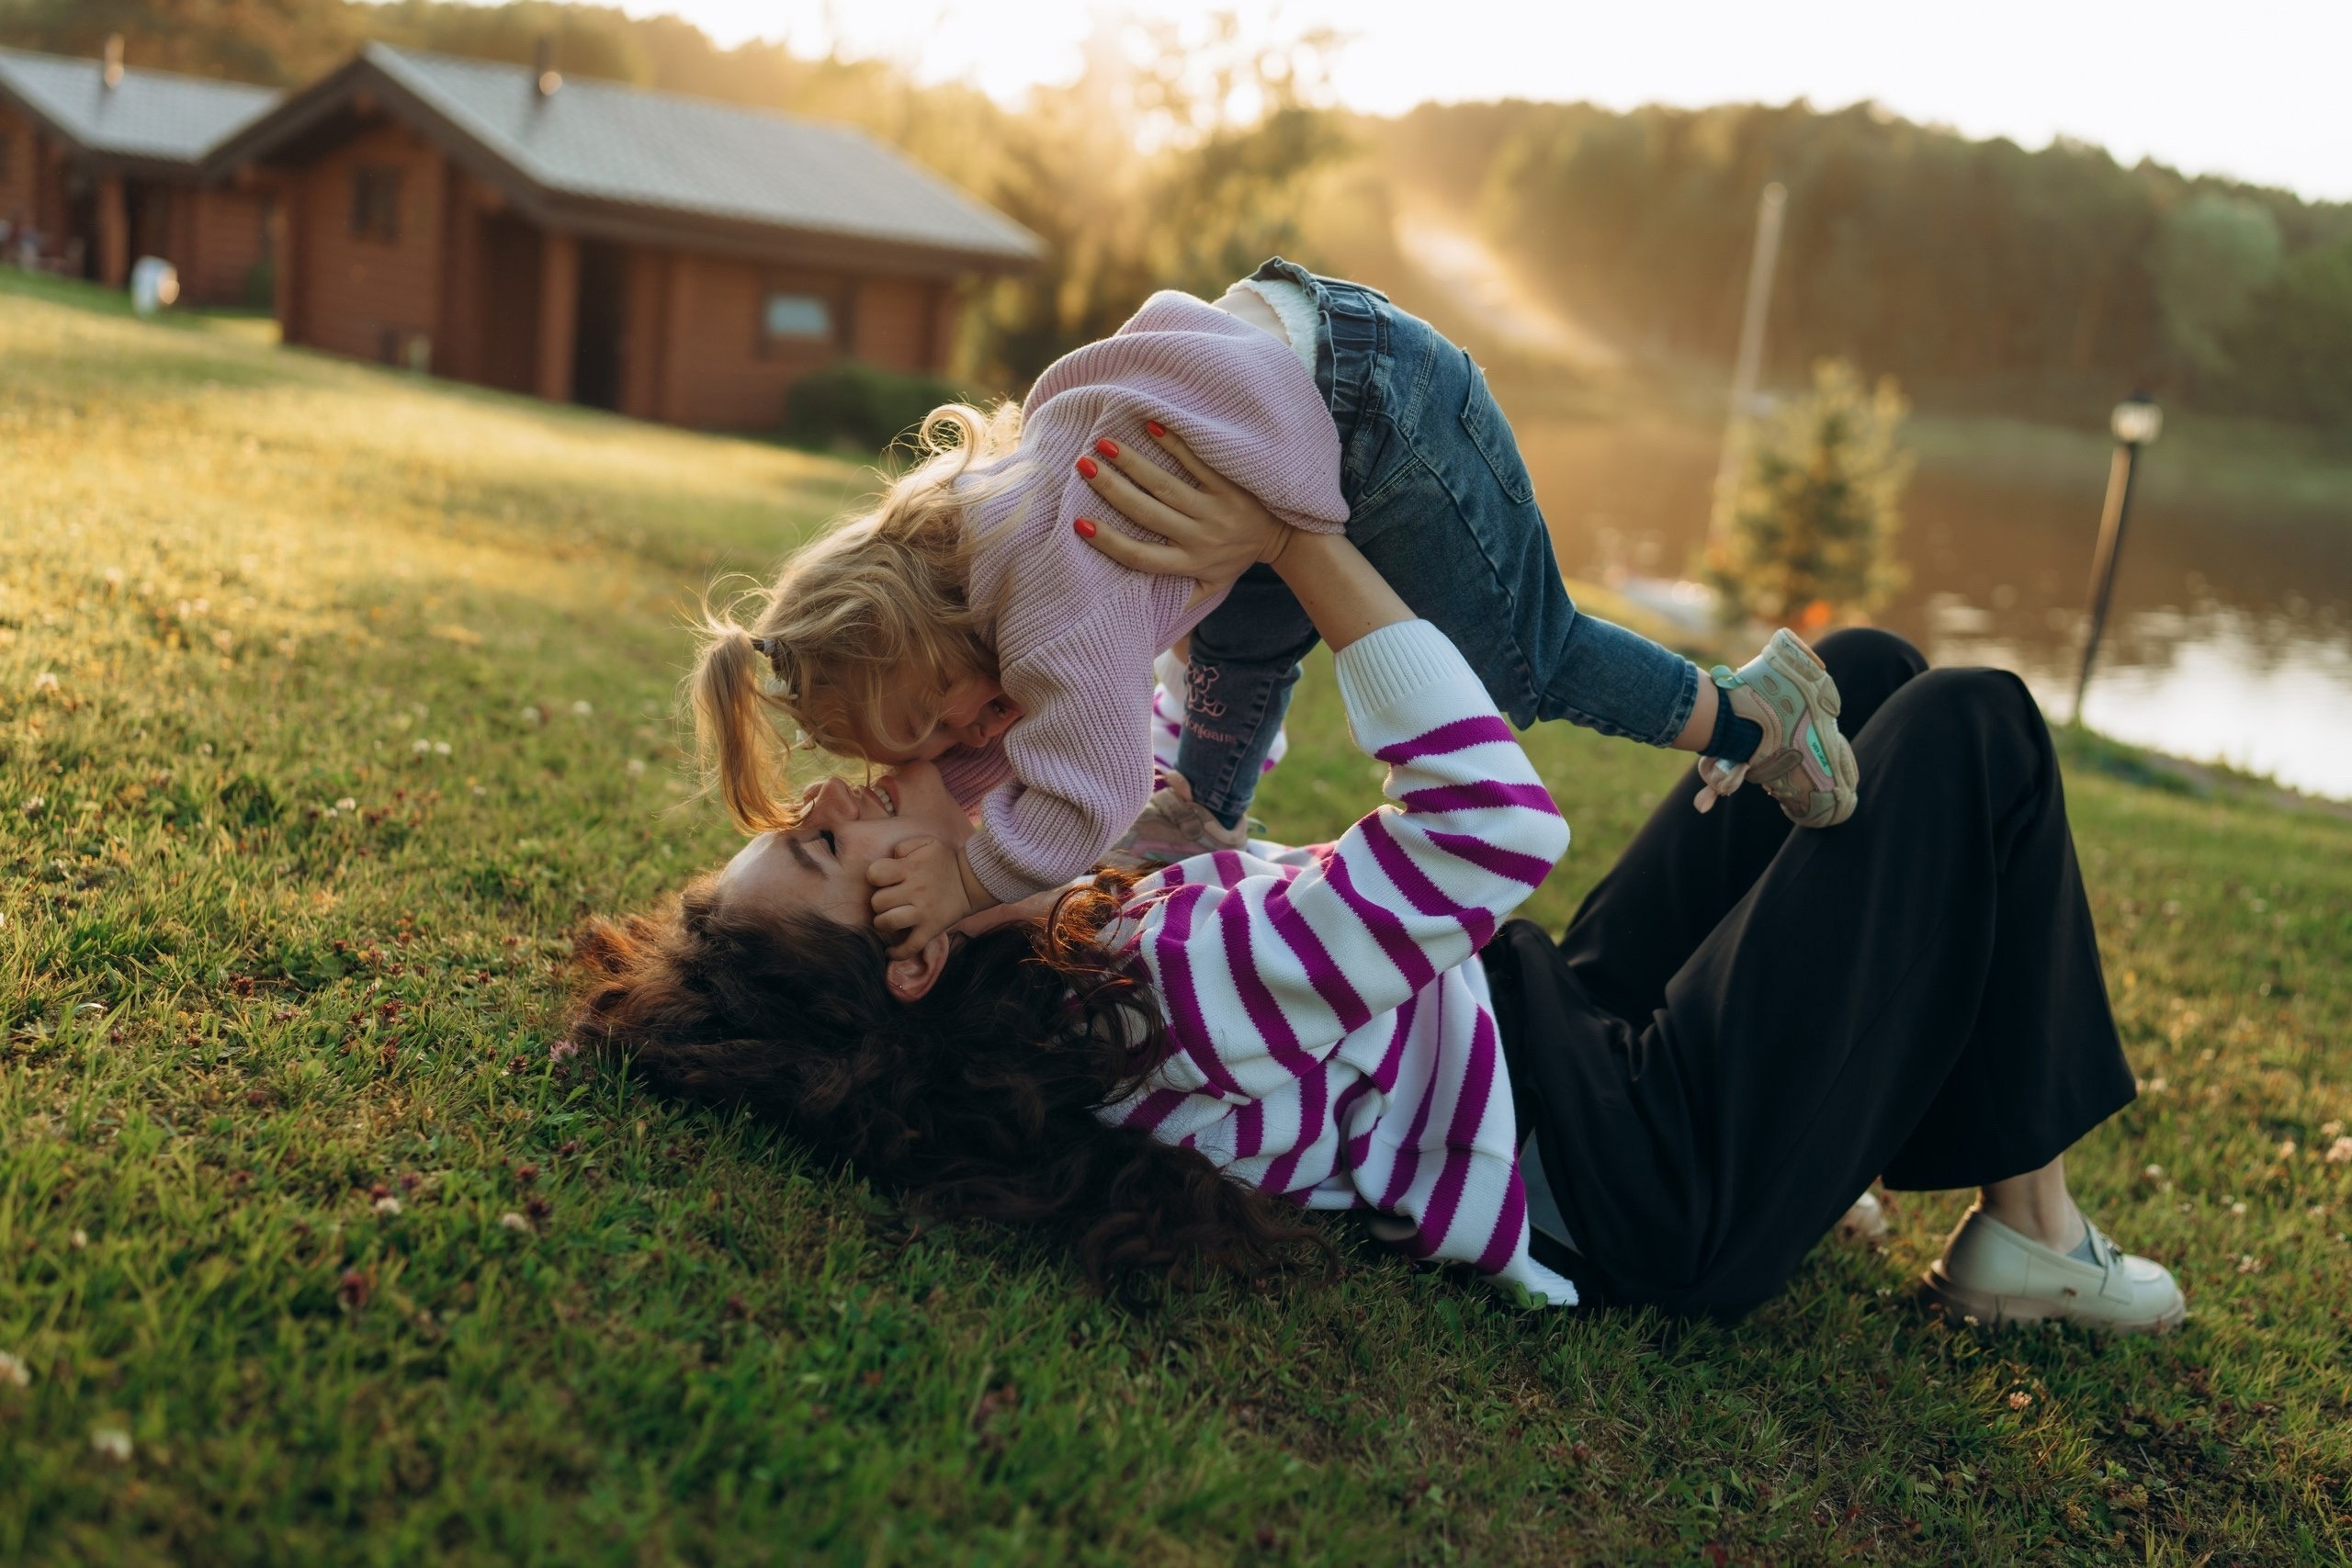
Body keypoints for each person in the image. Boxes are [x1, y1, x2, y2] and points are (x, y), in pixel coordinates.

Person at [581, 518, 2183, 1330]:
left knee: (1874, 678)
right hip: (1643, 1170)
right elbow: (1494, 830)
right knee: (1967, 721)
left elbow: (1179, 745)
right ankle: (2030, 1241)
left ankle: (1931, 1185)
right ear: (908, 960)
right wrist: (1313, 545)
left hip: (1554, 1023)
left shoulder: (1060, 922)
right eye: (820, 844)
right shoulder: (1161, 982)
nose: (847, 794)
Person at [688, 264, 1858, 964]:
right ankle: (1203, 807)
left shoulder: (1047, 615)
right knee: (1233, 656)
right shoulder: (977, 522)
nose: (957, 748)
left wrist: (973, 882)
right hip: (1296, 353)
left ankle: (1751, 717)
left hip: (1375, 410)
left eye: (938, 727)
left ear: (929, 645)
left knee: (1515, 665)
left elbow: (1083, 792)